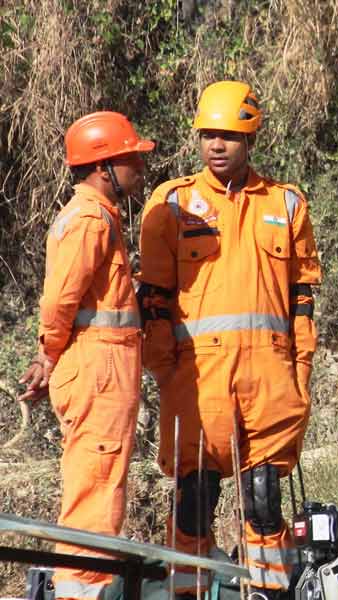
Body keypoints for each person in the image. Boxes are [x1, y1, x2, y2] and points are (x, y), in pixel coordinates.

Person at [137, 80, 321, 598]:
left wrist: (299, 370)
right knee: (195, 496)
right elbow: (153, 296)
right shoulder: (174, 203)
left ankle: (268, 589)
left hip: (270, 375)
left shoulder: (287, 203)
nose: (215, 146)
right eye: (207, 135)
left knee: (263, 497)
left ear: (250, 139)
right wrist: (165, 370)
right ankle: (188, 590)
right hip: (197, 377)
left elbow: (303, 298)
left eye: (228, 136)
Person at [18, 111, 154, 600]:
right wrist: (48, 354)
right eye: (130, 159)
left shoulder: (97, 217)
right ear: (103, 167)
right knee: (96, 487)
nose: (139, 167)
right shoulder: (90, 219)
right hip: (98, 369)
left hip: (101, 366)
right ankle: (83, 591)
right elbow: (60, 301)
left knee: (100, 481)